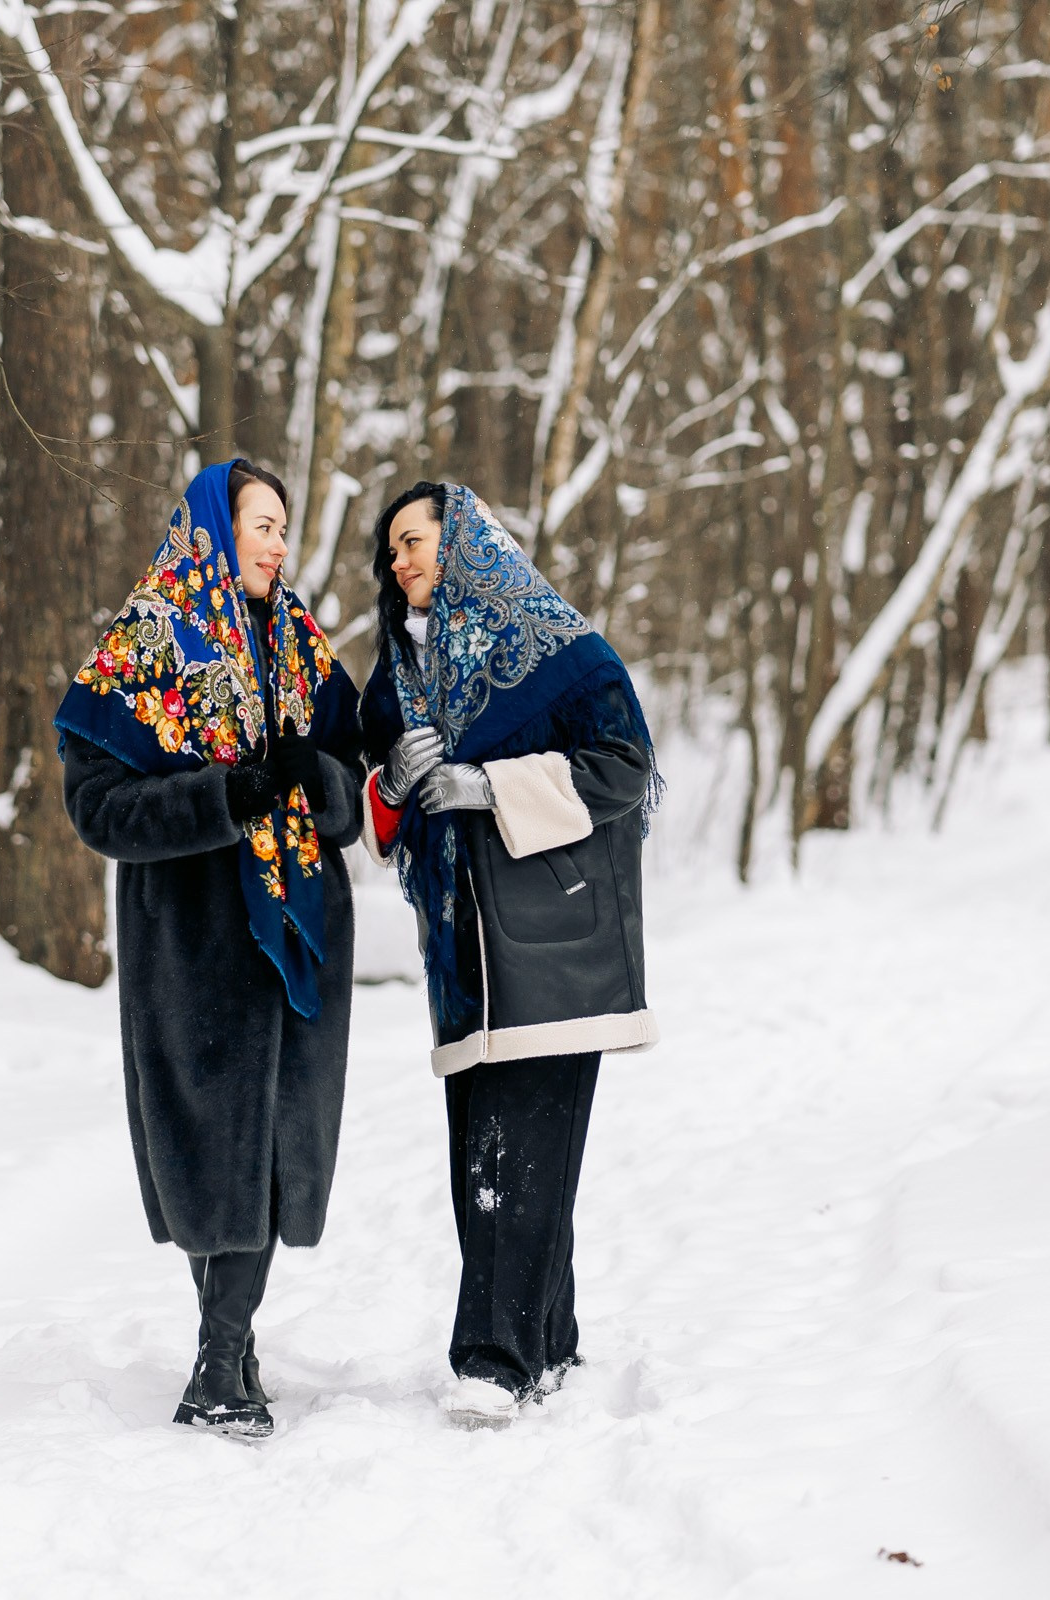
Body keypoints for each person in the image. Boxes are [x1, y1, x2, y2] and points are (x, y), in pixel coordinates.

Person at [56, 459, 364, 1440]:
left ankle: (224, 1352)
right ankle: (222, 1355)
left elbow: (347, 772)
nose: (279, 543)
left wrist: (316, 775)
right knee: (214, 1155)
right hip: (191, 937)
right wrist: (226, 794)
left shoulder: (297, 641)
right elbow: (97, 808)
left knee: (268, 1148)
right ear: (212, 528)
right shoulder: (148, 640)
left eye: (284, 526)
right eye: (262, 524)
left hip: (296, 928)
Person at [357, 481, 658, 1430]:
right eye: (390, 548)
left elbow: (625, 766)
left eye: (416, 541)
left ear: (469, 544)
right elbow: (382, 807)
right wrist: (394, 783)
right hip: (462, 956)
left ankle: (493, 1357)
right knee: (481, 1164)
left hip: (557, 938)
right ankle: (551, 1338)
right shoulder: (392, 679)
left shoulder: (563, 650)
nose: (400, 560)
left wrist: (488, 785)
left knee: (519, 1158)